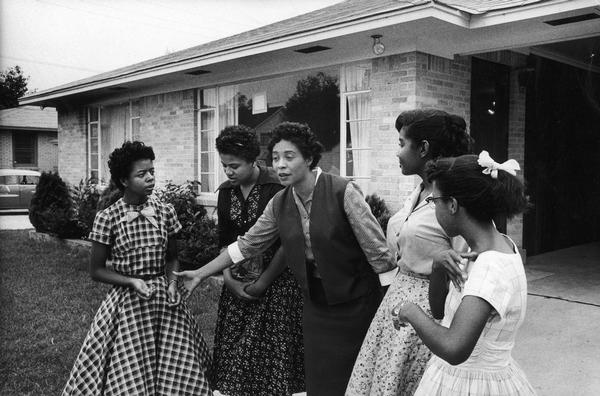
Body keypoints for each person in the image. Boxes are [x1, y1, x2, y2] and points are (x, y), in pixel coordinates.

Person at [176, 122, 396, 396]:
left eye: (289, 157)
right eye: (276, 158)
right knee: (319, 380)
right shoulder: (279, 202)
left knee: (355, 379)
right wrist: (200, 273)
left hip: (356, 303)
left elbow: (380, 255)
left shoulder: (342, 192)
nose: (280, 165)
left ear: (309, 159)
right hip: (316, 305)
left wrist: (391, 309)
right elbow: (247, 245)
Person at [62, 141, 211, 395]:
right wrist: (131, 281)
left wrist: (173, 283)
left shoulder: (165, 212)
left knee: (175, 364)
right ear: (123, 180)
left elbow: (173, 258)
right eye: (141, 174)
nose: (150, 178)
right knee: (131, 366)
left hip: (165, 301)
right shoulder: (108, 217)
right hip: (128, 302)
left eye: (152, 171)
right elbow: (96, 270)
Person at [347, 109, 473, 396]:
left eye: (402, 143)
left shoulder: (454, 201)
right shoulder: (416, 192)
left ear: (424, 148)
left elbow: (466, 268)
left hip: (429, 310)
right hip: (395, 303)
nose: (398, 152)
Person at [392, 151, 536, 395]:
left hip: (471, 385)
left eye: (434, 201)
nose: (434, 207)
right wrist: (438, 266)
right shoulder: (490, 246)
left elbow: (454, 347)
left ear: (452, 205)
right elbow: (440, 313)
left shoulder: (489, 266)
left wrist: (409, 311)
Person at [210, 126, 304, 396]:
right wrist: (229, 281)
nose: (228, 172)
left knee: (270, 363)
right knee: (234, 362)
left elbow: (288, 243)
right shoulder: (225, 192)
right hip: (237, 285)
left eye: (234, 166)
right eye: (224, 165)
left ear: (253, 160)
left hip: (275, 285)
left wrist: (262, 284)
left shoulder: (277, 187)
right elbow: (224, 242)